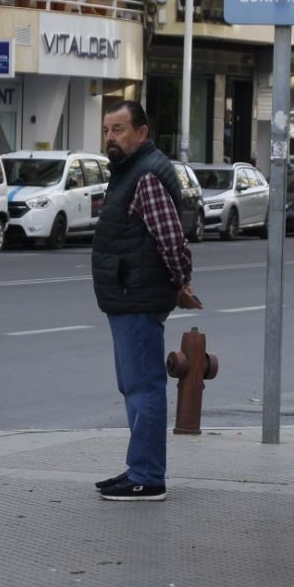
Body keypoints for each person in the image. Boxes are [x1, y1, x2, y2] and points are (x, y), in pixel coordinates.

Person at [90, 101, 202, 502]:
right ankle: (140, 466)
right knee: (134, 386)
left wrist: (181, 280)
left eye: (119, 129)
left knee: (143, 386)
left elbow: (171, 239)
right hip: (127, 293)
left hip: (136, 294)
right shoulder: (131, 171)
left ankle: (148, 476)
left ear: (142, 131)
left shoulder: (147, 175)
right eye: (107, 130)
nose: (111, 138)